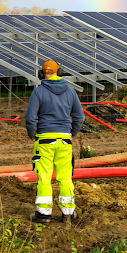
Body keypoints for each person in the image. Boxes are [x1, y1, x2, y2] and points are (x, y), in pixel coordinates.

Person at [24, 59, 85, 223]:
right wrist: (71, 133)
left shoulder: (38, 92)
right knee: (65, 177)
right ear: (60, 72)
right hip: (65, 140)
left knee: (44, 177)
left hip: (44, 140)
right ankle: (68, 213)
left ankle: (43, 214)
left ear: (41, 74)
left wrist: (33, 135)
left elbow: (30, 119)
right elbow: (79, 116)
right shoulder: (71, 92)